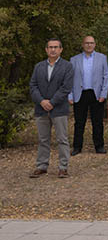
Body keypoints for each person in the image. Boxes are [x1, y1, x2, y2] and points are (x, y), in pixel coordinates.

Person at [28, 39, 75, 178]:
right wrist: (42, 101)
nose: (53, 50)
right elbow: (33, 86)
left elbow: (66, 87)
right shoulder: (39, 66)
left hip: (59, 108)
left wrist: (52, 102)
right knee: (43, 139)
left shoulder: (67, 66)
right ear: (46, 50)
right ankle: (42, 166)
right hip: (41, 108)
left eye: (56, 47)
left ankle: (63, 168)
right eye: (50, 47)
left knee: (62, 139)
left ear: (61, 49)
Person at [68, 36, 108, 155]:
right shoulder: (74, 60)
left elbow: (106, 77)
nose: (89, 45)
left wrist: (103, 94)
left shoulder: (102, 58)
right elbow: (69, 79)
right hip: (80, 93)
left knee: (98, 122)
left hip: (96, 94)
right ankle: (77, 147)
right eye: (87, 43)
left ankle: (99, 146)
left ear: (95, 44)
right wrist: (70, 95)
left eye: (91, 43)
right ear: (83, 45)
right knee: (79, 122)